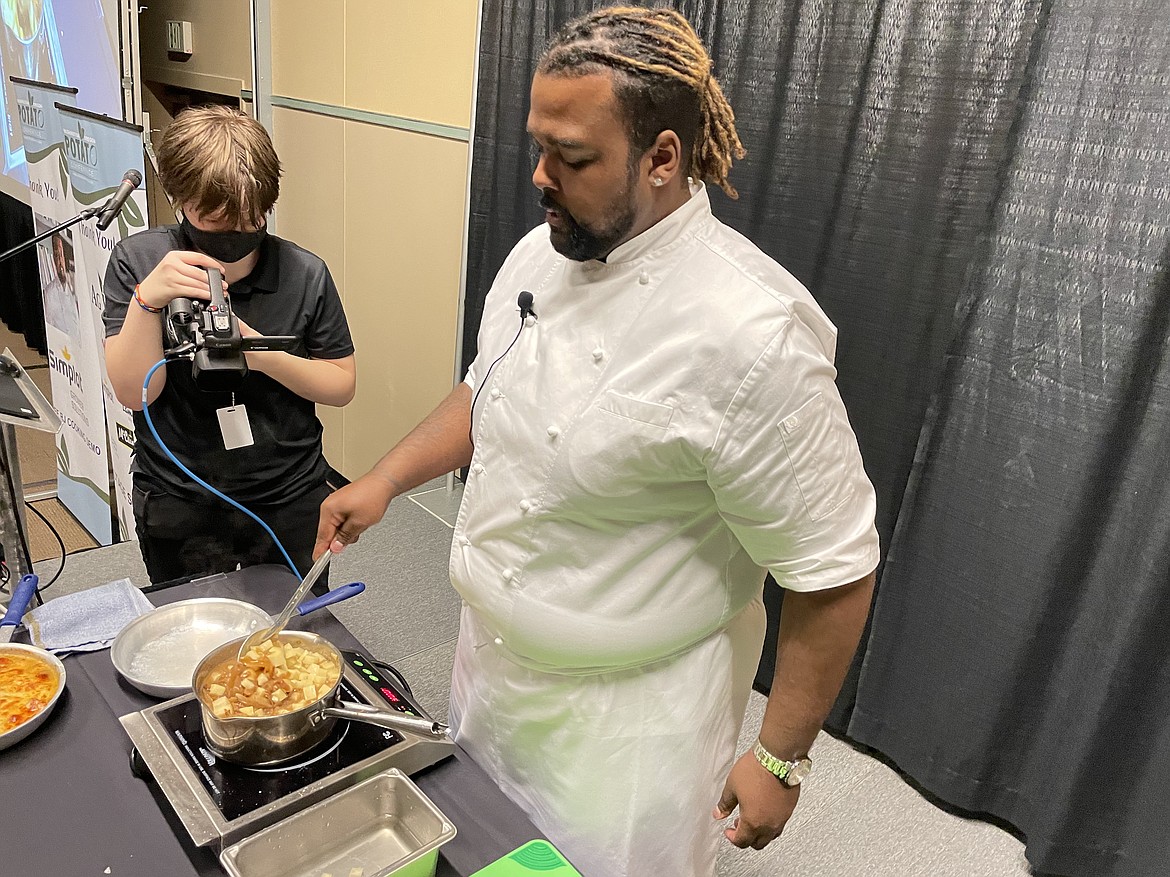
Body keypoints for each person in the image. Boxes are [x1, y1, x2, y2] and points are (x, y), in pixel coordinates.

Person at [316, 7, 879, 876]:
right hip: (489, 672)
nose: (540, 176)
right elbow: (486, 389)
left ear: (662, 157)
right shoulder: (538, 255)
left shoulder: (752, 334)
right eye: (538, 145)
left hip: (625, 733)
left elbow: (833, 569)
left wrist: (779, 758)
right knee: (478, 854)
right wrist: (387, 477)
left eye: (572, 158)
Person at [103, 105, 356, 589]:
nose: (234, 234)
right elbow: (135, 394)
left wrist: (256, 350)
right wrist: (146, 302)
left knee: (289, 637)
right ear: (179, 199)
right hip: (181, 493)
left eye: (249, 219)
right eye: (213, 221)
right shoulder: (140, 260)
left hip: (288, 491)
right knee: (188, 636)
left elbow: (340, 384)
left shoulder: (304, 274)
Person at [42, 231, 78, 337]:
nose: (60, 261)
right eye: (57, 255)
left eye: (62, 255)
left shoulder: (77, 286)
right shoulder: (49, 292)